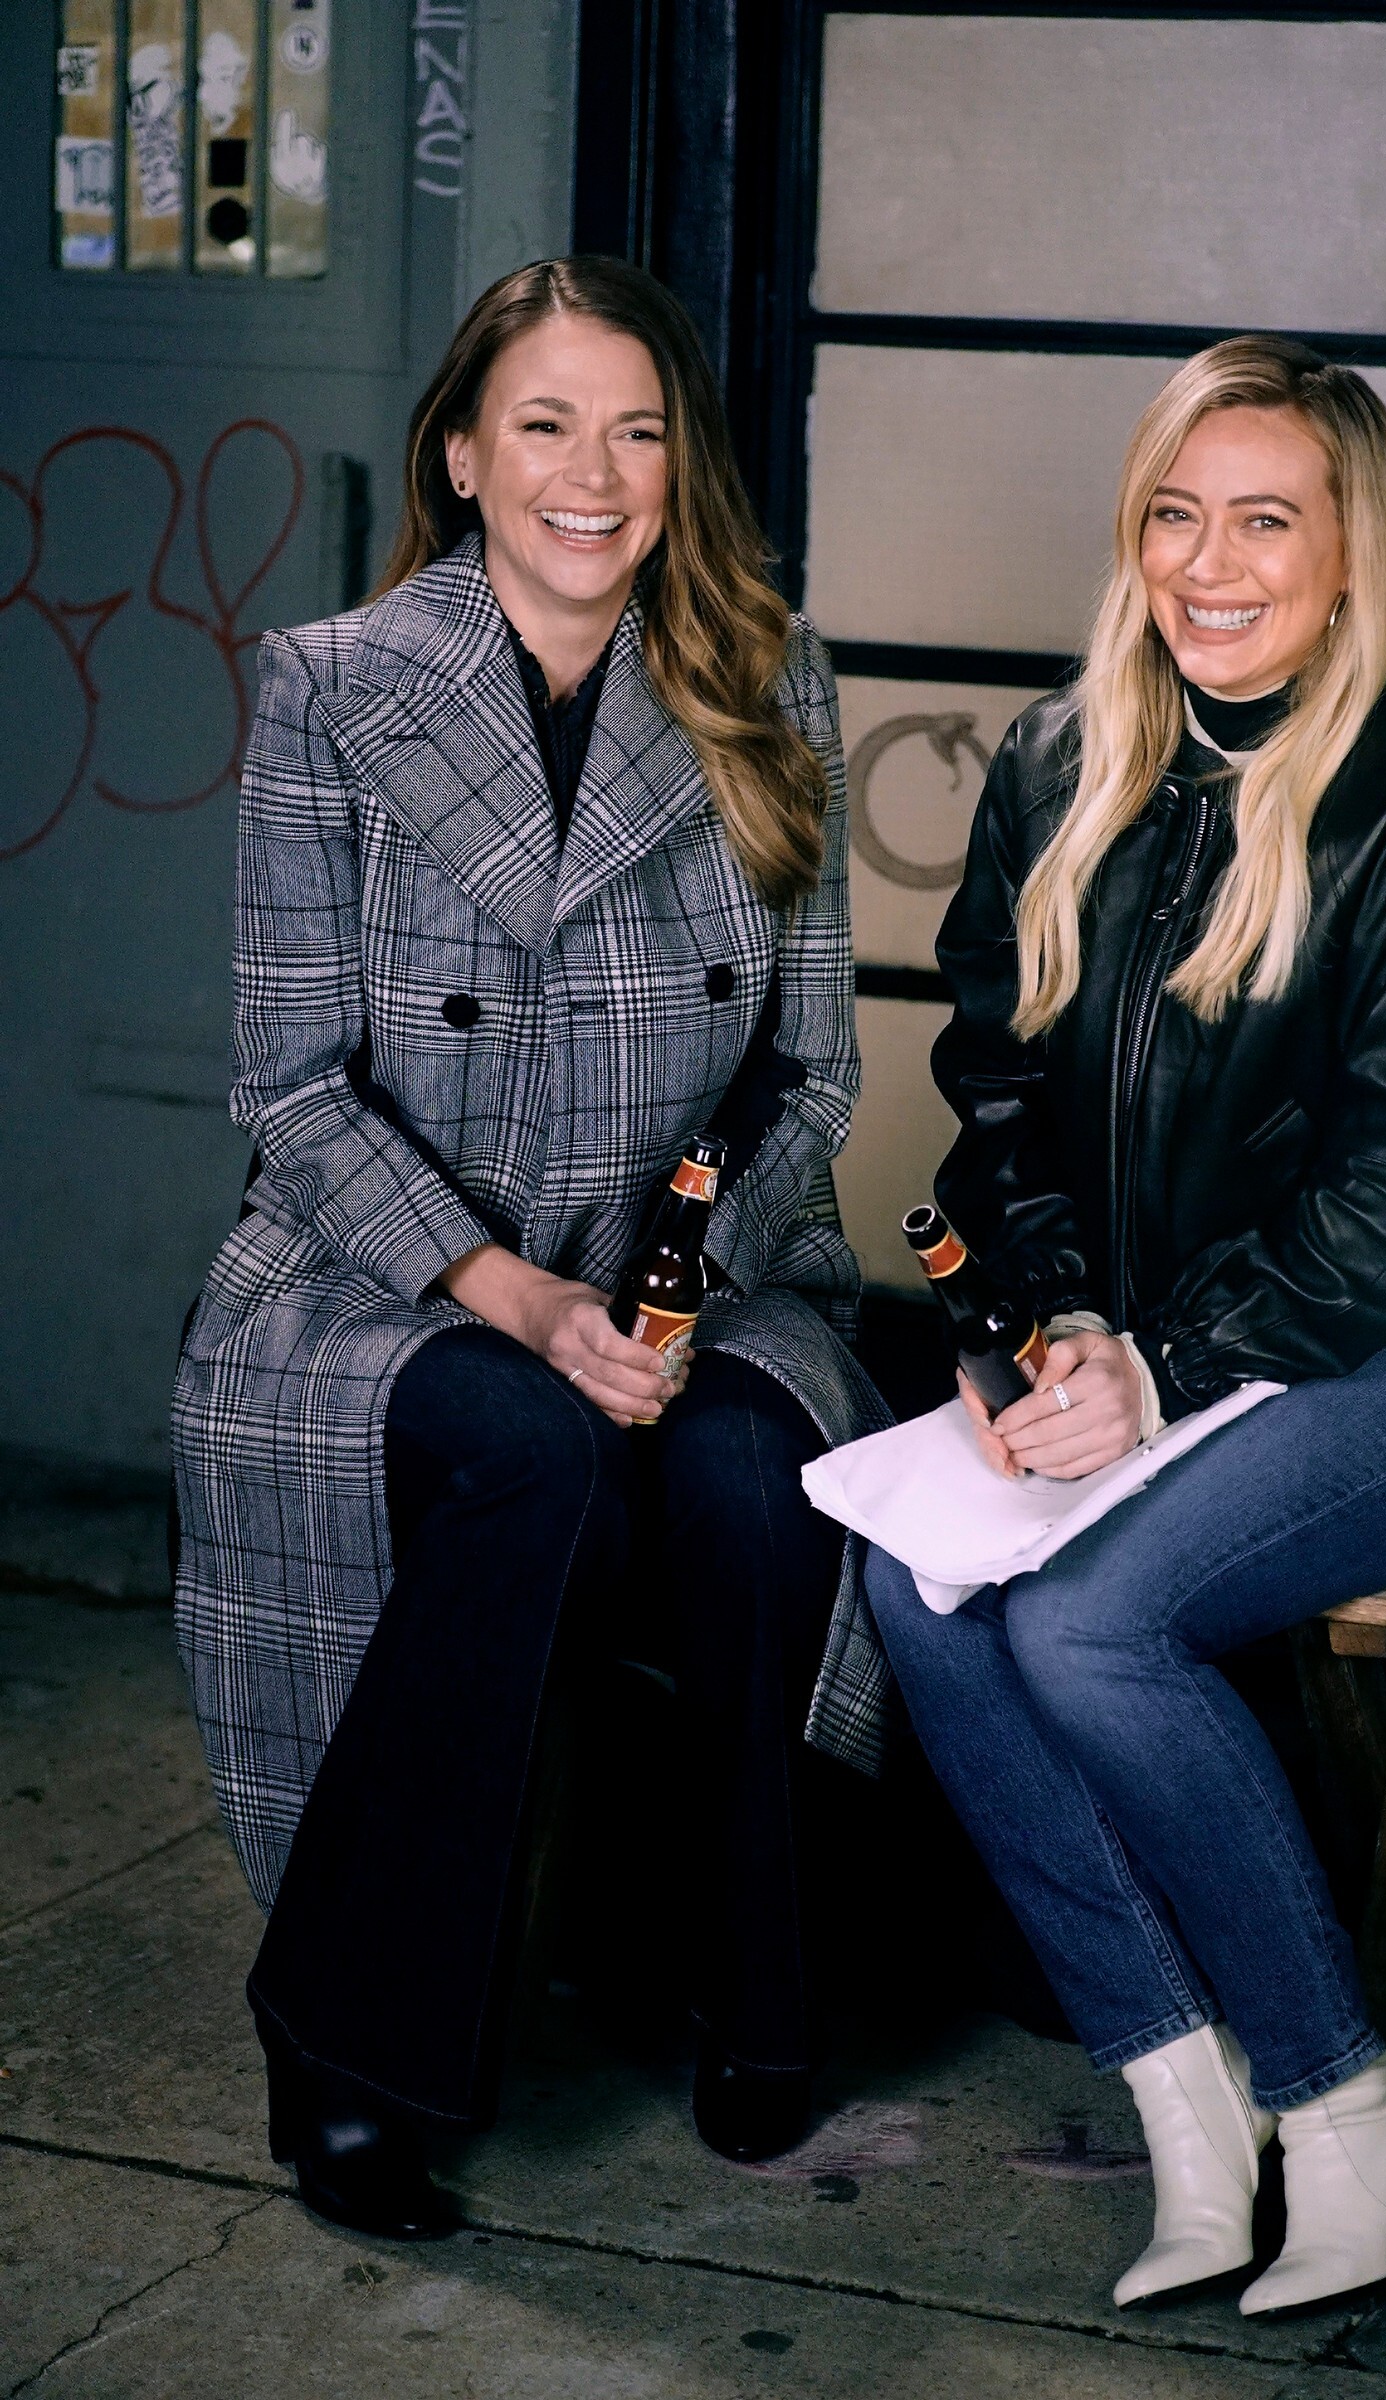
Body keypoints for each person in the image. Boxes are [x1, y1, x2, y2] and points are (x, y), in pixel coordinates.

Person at [171, 256, 890, 2240]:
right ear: (465, 458)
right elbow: (291, 1084)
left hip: (695, 1267)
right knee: (536, 1453)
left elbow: (809, 1071)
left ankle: (747, 1991)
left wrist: (666, 1291)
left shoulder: (772, 684)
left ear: (680, 466)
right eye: (547, 424)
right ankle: (351, 2051)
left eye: (638, 430)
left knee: (751, 1472)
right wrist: (515, 1295)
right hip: (377, 1282)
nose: (596, 471)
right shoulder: (332, 690)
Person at [865, 337, 1386, 2317]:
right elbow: (999, 1103)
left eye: (1263, 521)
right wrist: (1060, 1327)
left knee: (1087, 1623)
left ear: (1348, 555)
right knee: (922, 1584)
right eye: (1174, 514)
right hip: (1155, 1344)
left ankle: (1340, 2101)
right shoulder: (1056, 764)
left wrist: (1156, 1364)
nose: (1207, 563)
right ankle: (1180, 2095)